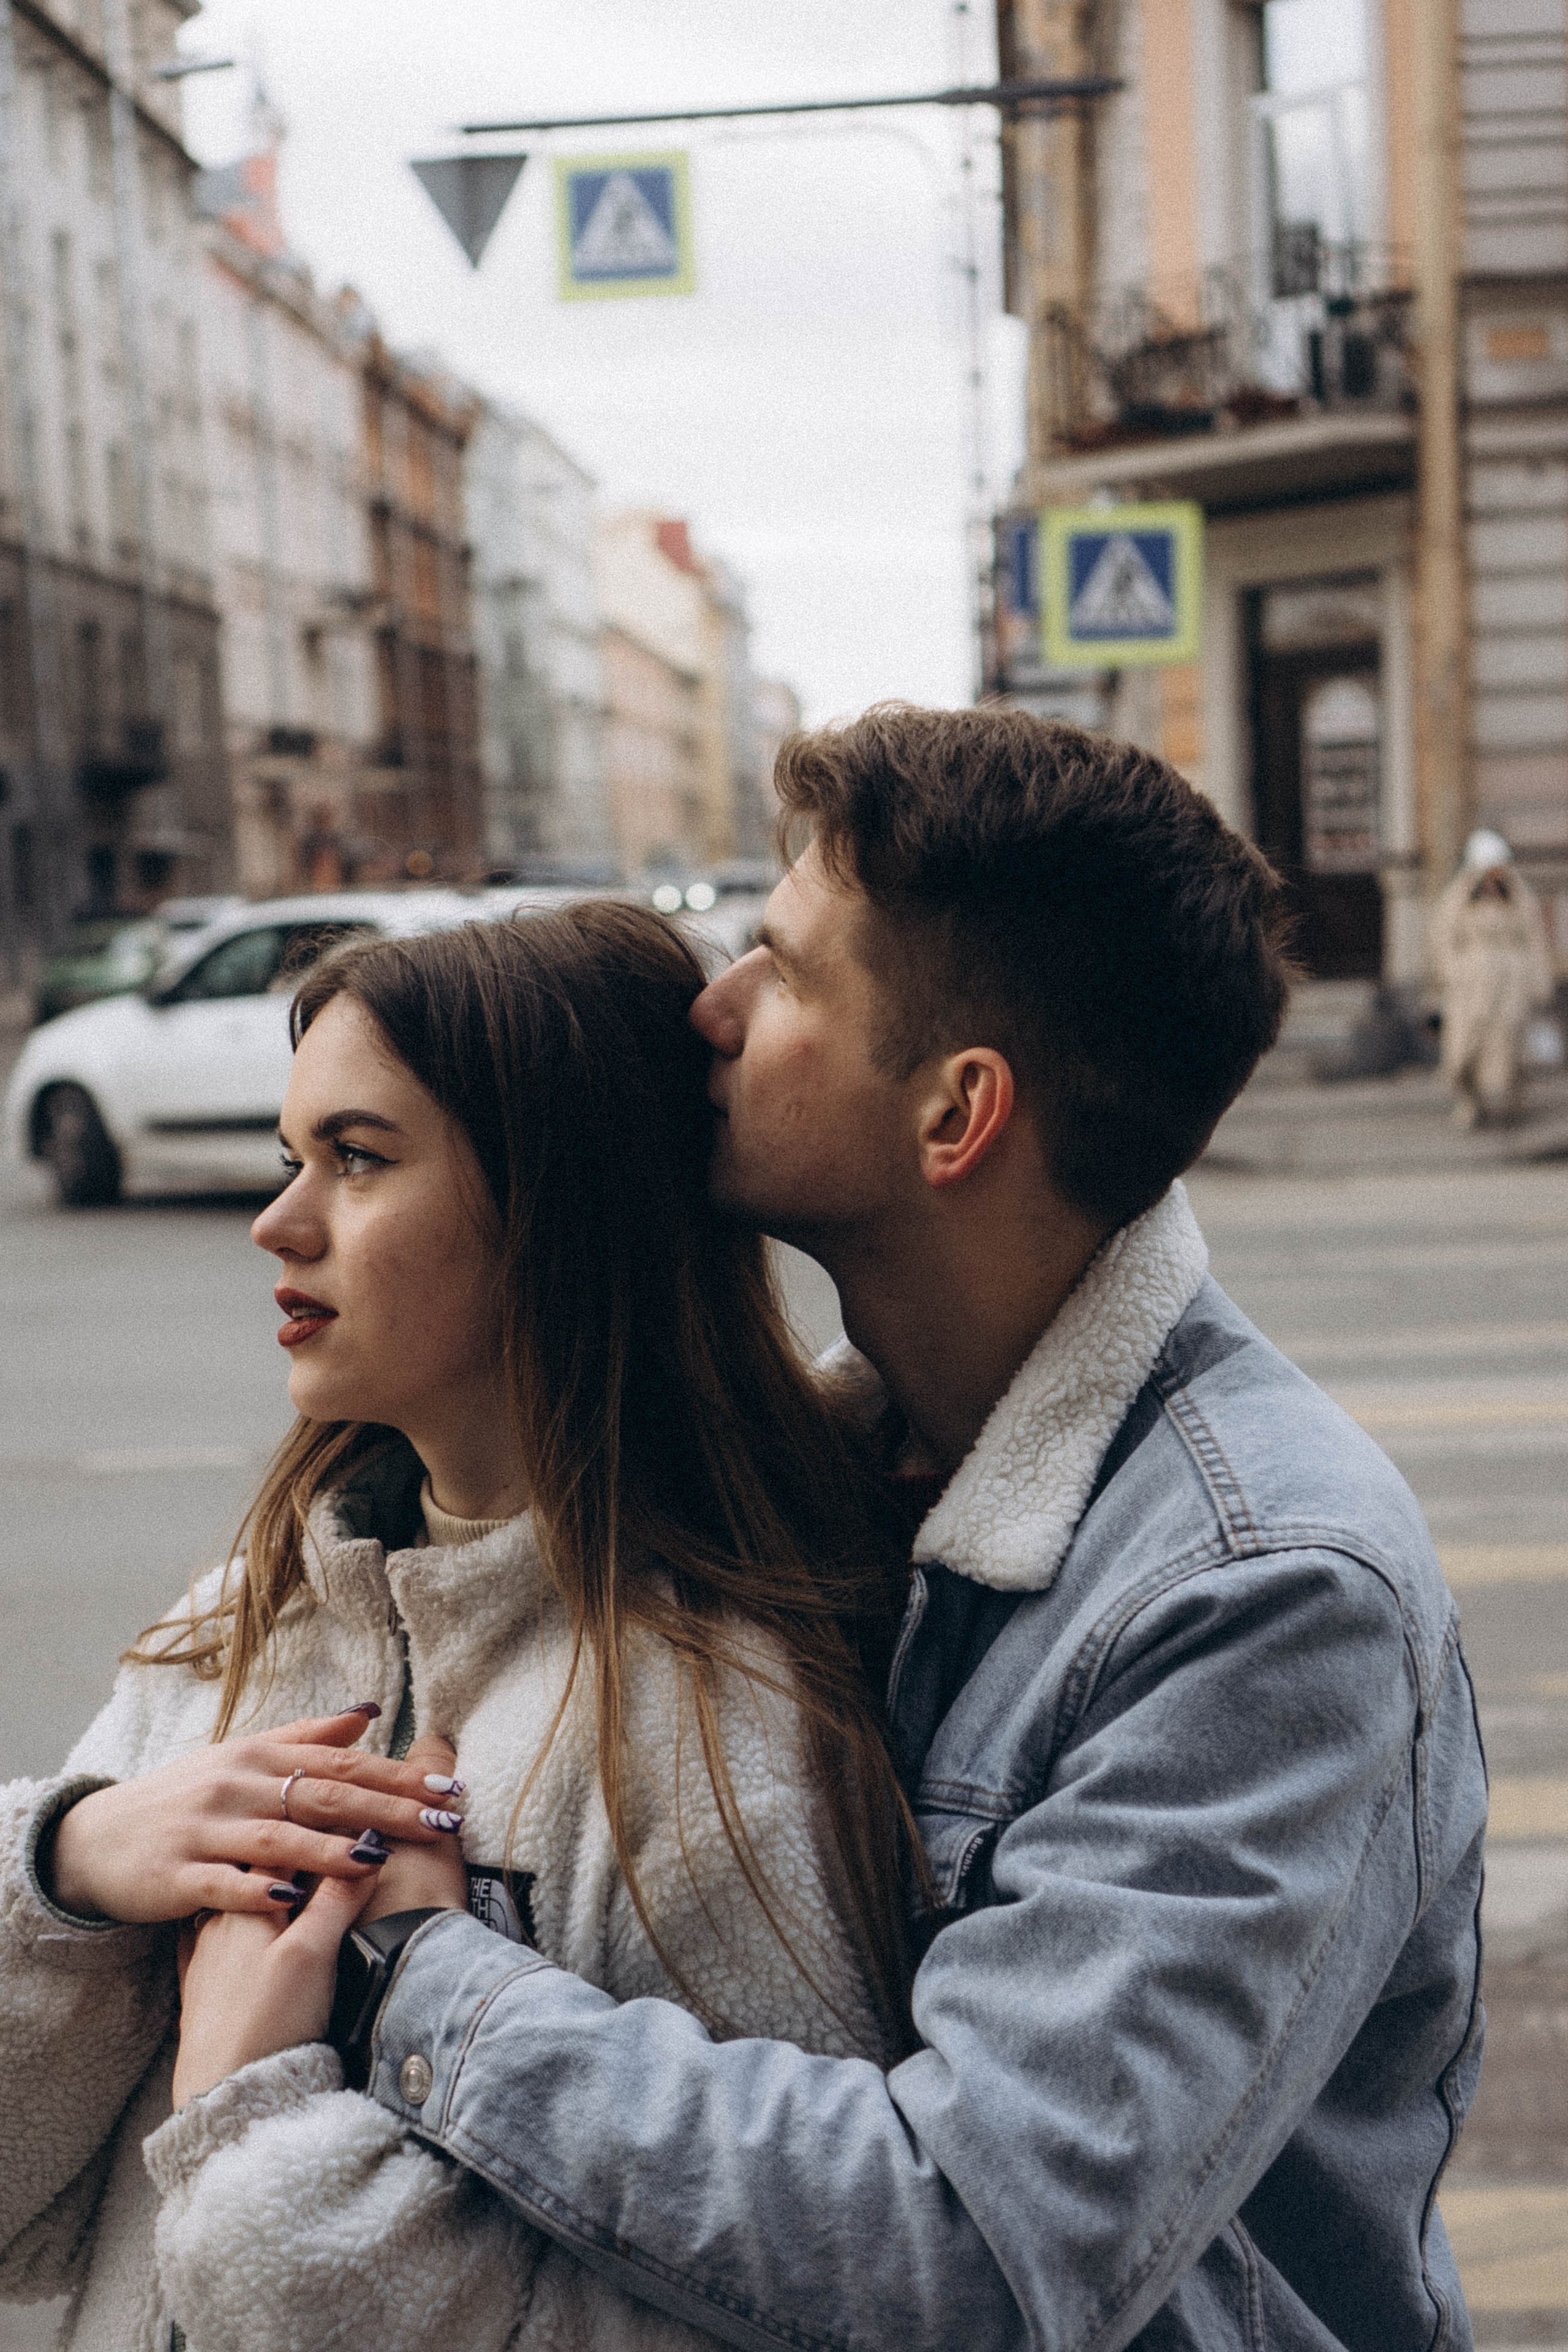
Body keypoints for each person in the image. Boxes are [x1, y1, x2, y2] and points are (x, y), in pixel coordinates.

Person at [350, 706, 1490, 2352]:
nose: (712, 1007)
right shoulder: (834, 1474)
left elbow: (974, 2243)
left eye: (785, 971)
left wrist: (423, 1977)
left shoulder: (1265, 1587)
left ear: (958, 1114)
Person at [0, 904, 917, 2352]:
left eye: (358, 1158)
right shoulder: (246, 1618)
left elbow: (777, 2306)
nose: (277, 1223)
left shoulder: (709, 1733)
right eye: (290, 1157)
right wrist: (67, 1871)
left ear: (556, 1208)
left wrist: (257, 2137)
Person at [1433, 826, 1555, 1128]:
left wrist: (1538, 981)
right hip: (1470, 988)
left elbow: (1534, 942)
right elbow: (1443, 939)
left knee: (1512, 1048)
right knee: (1463, 1050)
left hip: (1511, 984)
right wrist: (1453, 973)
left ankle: (1511, 1103)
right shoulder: (1458, 899)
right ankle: (1469, 1101)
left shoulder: (1519, 899)